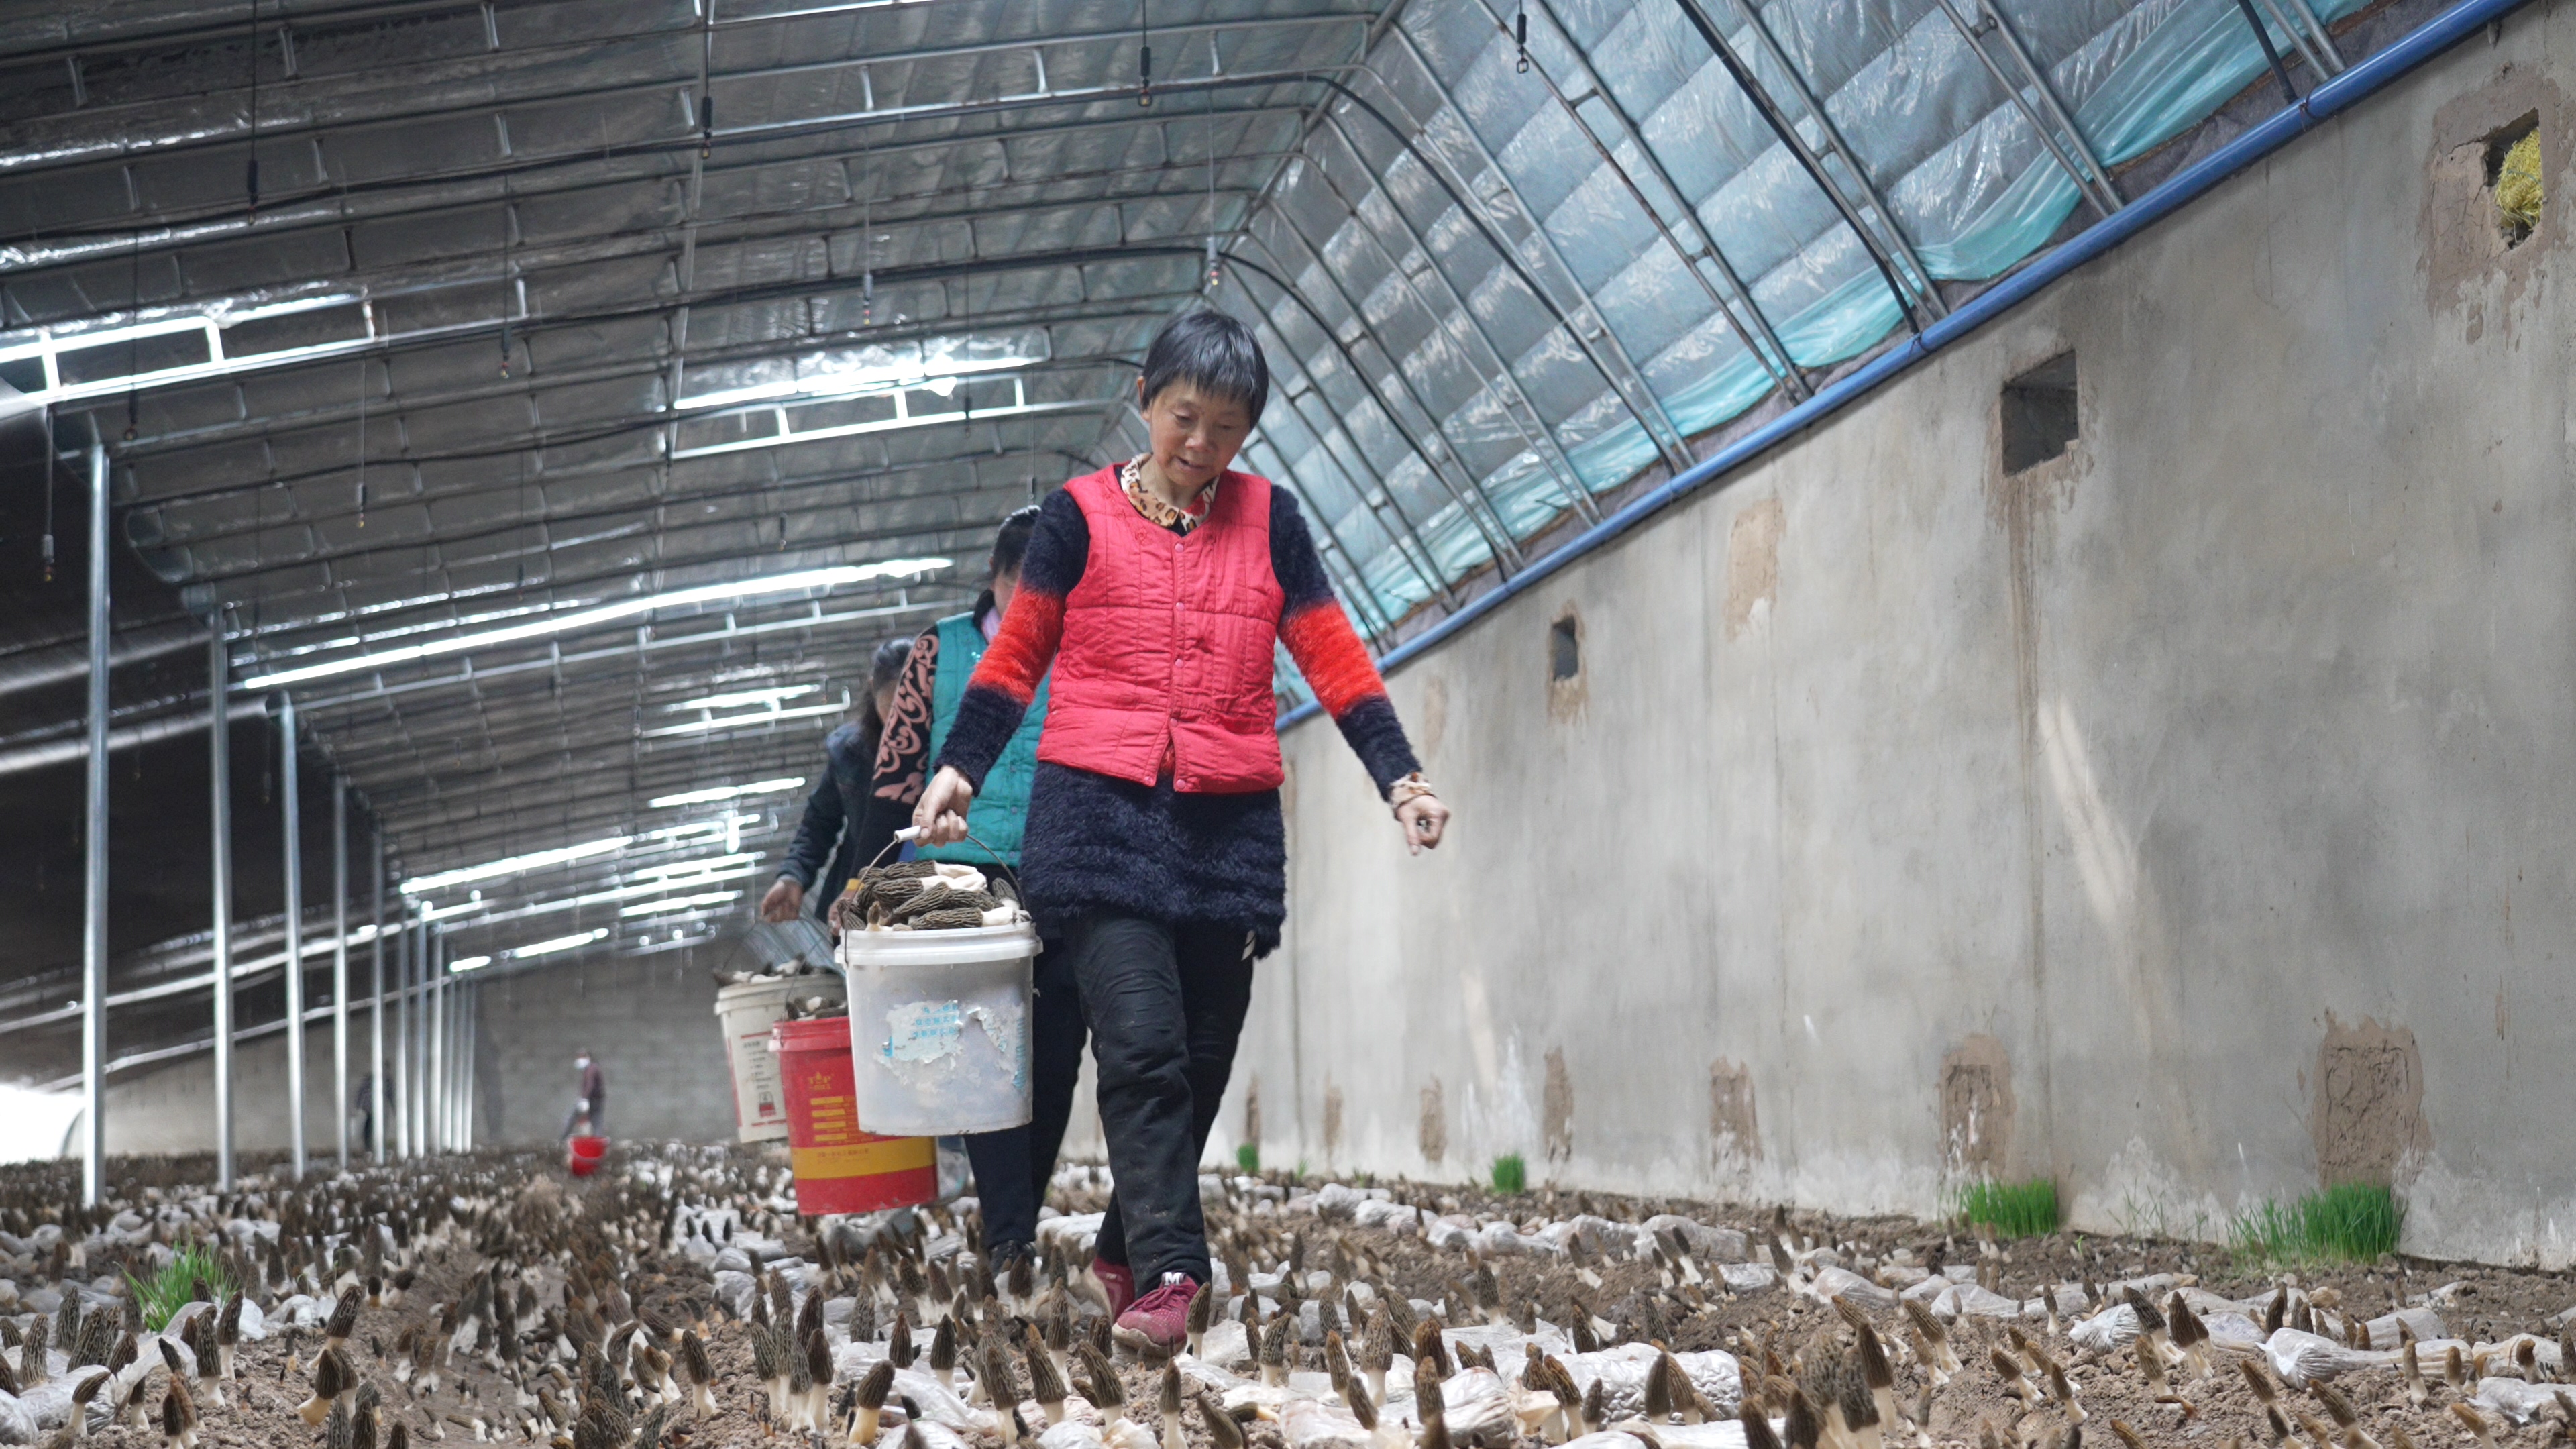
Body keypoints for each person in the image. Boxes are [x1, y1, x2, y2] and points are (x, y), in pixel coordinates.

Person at [916, 308, 1450, 1351]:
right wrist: (960, 768)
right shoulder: (1075, 519)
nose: (1202, 444)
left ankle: (1124, 1244)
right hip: (1099, 821)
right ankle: (1172, 1273)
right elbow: (1019, 655)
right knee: (1144, 1047)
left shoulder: (1273, 522)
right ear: (1146, 401)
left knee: (1202, 1060)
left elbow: (1333, 657)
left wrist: (1402, 778)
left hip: (1225, 827)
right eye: (1184, 416)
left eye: (1228, 427)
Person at [843, 506, 1085, 1277]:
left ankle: (1017, 1214)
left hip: (1066, 868)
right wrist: (868, 886)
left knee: (1057, 1055)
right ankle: (1010, 1237)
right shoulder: (939, 651)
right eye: (1024, 589)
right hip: (966, 882)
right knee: (987, 1051)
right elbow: (895, 776)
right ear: (996, 578)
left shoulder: (1085, 647)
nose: (1036, 606)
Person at [761, 637, 914, 922]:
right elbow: (819, 822)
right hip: (857, 902)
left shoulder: (949, 754)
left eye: (917, 709)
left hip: (929, 894)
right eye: (892, 709)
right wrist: (793, 876)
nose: (904, 723)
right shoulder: (850, 753)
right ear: (873, 689)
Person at [560, 1050, 605, 1140]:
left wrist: (584, 1098)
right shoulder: (593, 1068)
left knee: (572, 1118)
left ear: (588, 1058)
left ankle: (563, 1139)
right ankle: (598, 1140)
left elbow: (590, 1084)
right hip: (597, 1099)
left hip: (590, 1099)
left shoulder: (591, 1069)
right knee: (596, 1121)